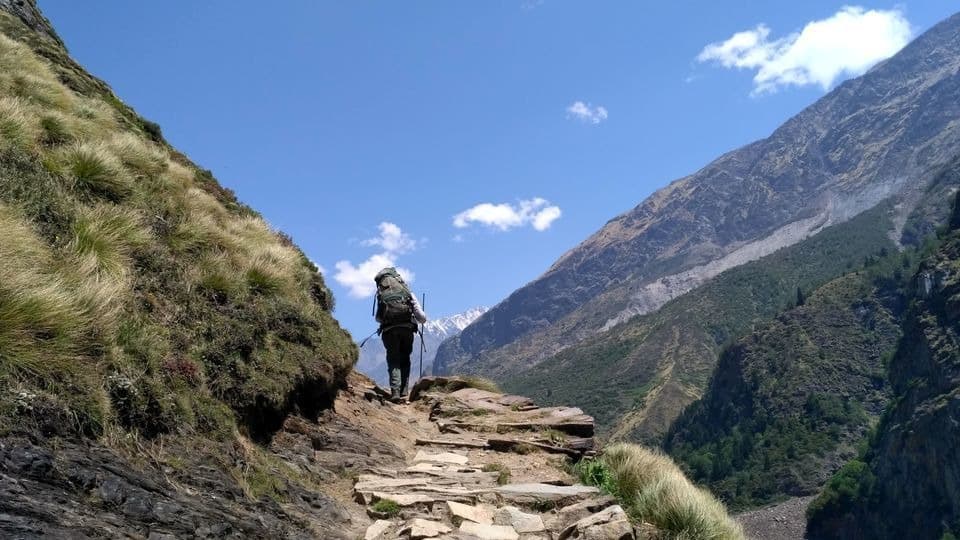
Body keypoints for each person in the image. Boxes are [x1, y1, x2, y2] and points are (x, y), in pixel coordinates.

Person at [374, 267, 427, 402]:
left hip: (389, 332)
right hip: (407, 330)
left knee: (393, 360)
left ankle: (395, 392)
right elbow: (422, 317)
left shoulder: (381, 294)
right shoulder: (407, 292)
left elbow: (378, 318)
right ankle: (404, 391)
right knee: (405, 358)